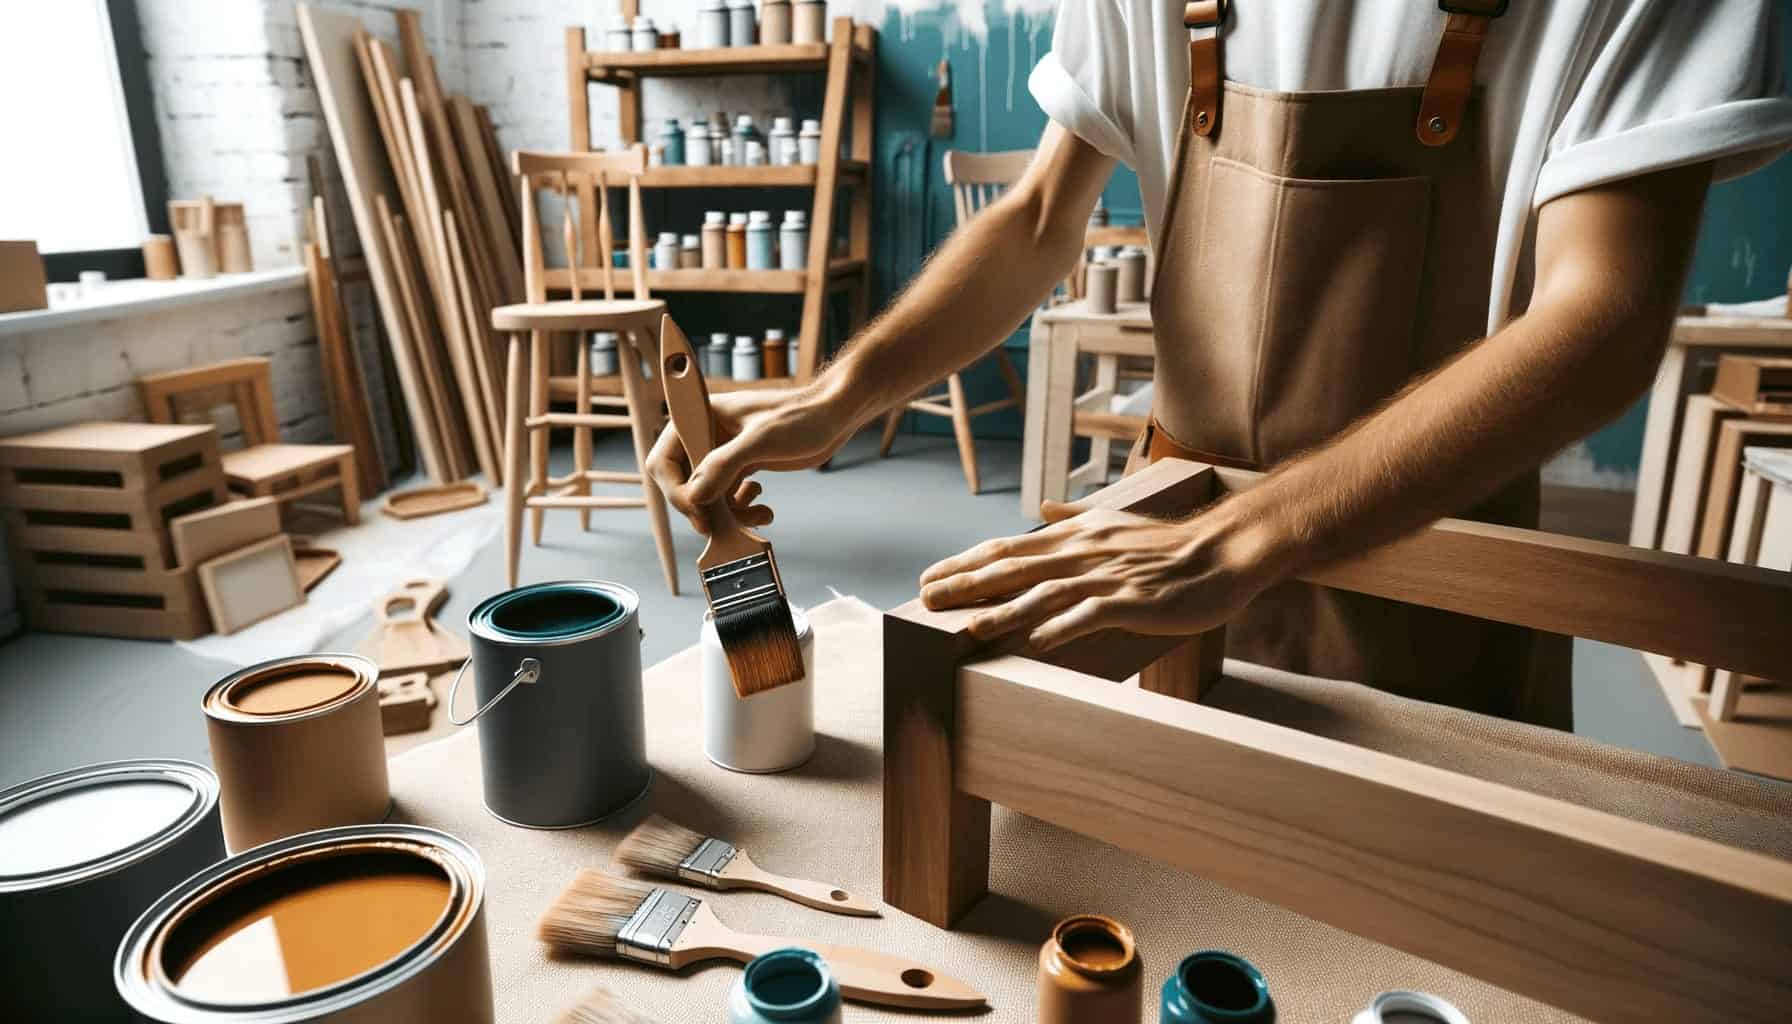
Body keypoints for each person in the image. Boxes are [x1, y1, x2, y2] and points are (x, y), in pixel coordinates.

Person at [649, 1, 1792, 729]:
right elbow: (1044, 212)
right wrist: (835, 395)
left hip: (1434, 579)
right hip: (1156, 556)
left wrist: (1240, 540)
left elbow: (1602, 317)